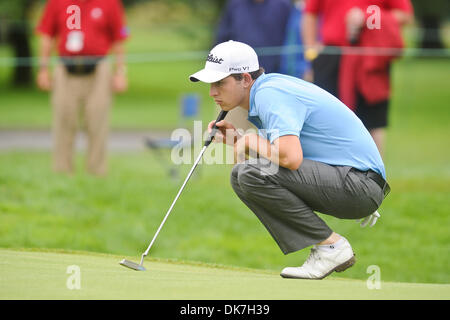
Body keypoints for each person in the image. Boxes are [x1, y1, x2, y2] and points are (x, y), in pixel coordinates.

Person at [189, 40, 390, 279]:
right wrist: (239, 139)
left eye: (220, 83)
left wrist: (250, 141)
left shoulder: (270, 95)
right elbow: (286, 154)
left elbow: (291, 159)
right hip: (352, 179)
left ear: (245, 79)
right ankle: (328, 246)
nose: (212, 92)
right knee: (242, 175)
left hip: (359, 184)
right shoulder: (269, 90)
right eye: (211, 84)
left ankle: (331, 247)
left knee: (249, 172)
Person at [302, 0, 413, 155]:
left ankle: (374, 177)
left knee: (372, 122)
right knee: (326, 122)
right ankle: (331, 176)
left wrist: (368, 17)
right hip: (331, 56)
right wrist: (311, 52)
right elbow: (310, 14)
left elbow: (405, 16)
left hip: (370, 58)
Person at [36, 0, 129, 176]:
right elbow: (47, 36)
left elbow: (119, 38)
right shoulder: (56, 2)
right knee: (64, 119)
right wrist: (43, 69)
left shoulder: (109, 3)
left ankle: (96, 173)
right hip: (65, 67)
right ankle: (62, 172)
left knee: (97, 120)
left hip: (98, 69)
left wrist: (120, 72)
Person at [215, 0, 292, 135]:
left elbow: (292, 40)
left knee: (272, 141)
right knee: (237, 137)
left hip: (273, 87)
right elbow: (222, 40)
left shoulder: (283, 5)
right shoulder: (235, 5)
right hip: (237, 86)